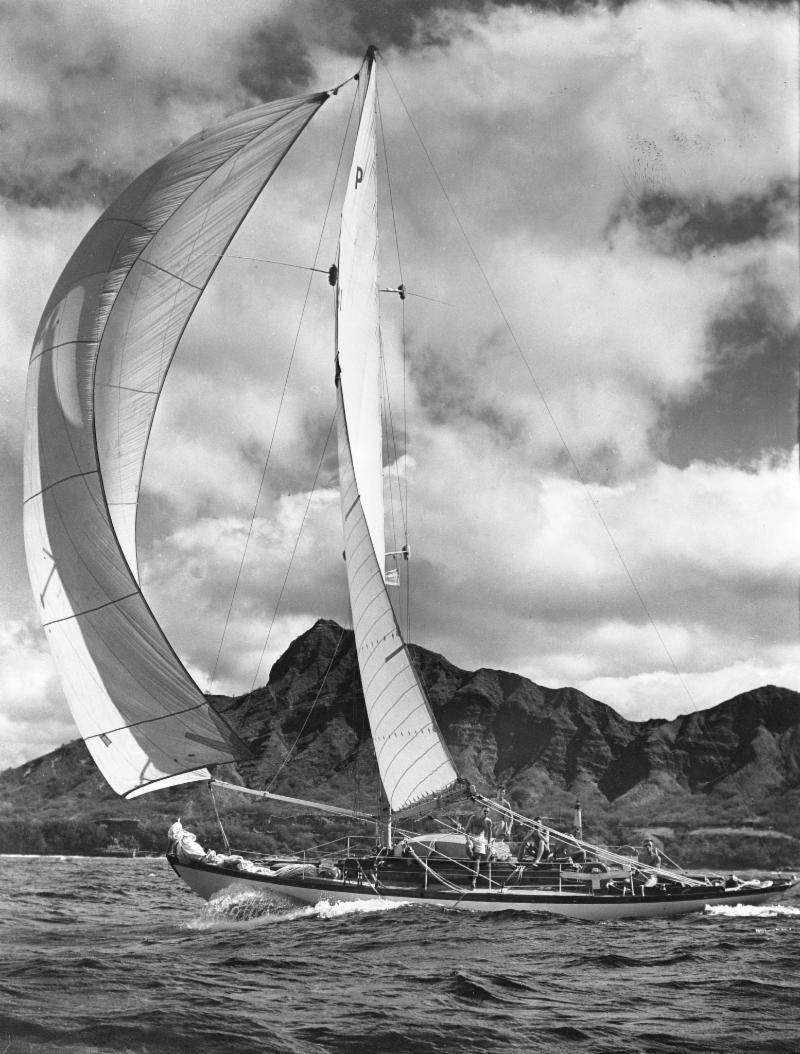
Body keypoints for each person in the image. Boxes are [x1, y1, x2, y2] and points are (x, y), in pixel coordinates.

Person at [464, 806, 493, 888]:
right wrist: (468, 839)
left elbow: (490, 832)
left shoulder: (488, 821)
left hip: (481, 838)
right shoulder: (473, 818)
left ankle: (474, 881)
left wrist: (489, 843)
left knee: (477, 861)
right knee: (468, 848)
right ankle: (470, 862)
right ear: (481, 810)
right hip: (472, 837)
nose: (486, 813)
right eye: (485, 811)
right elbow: (466, 831)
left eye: (487, 811)